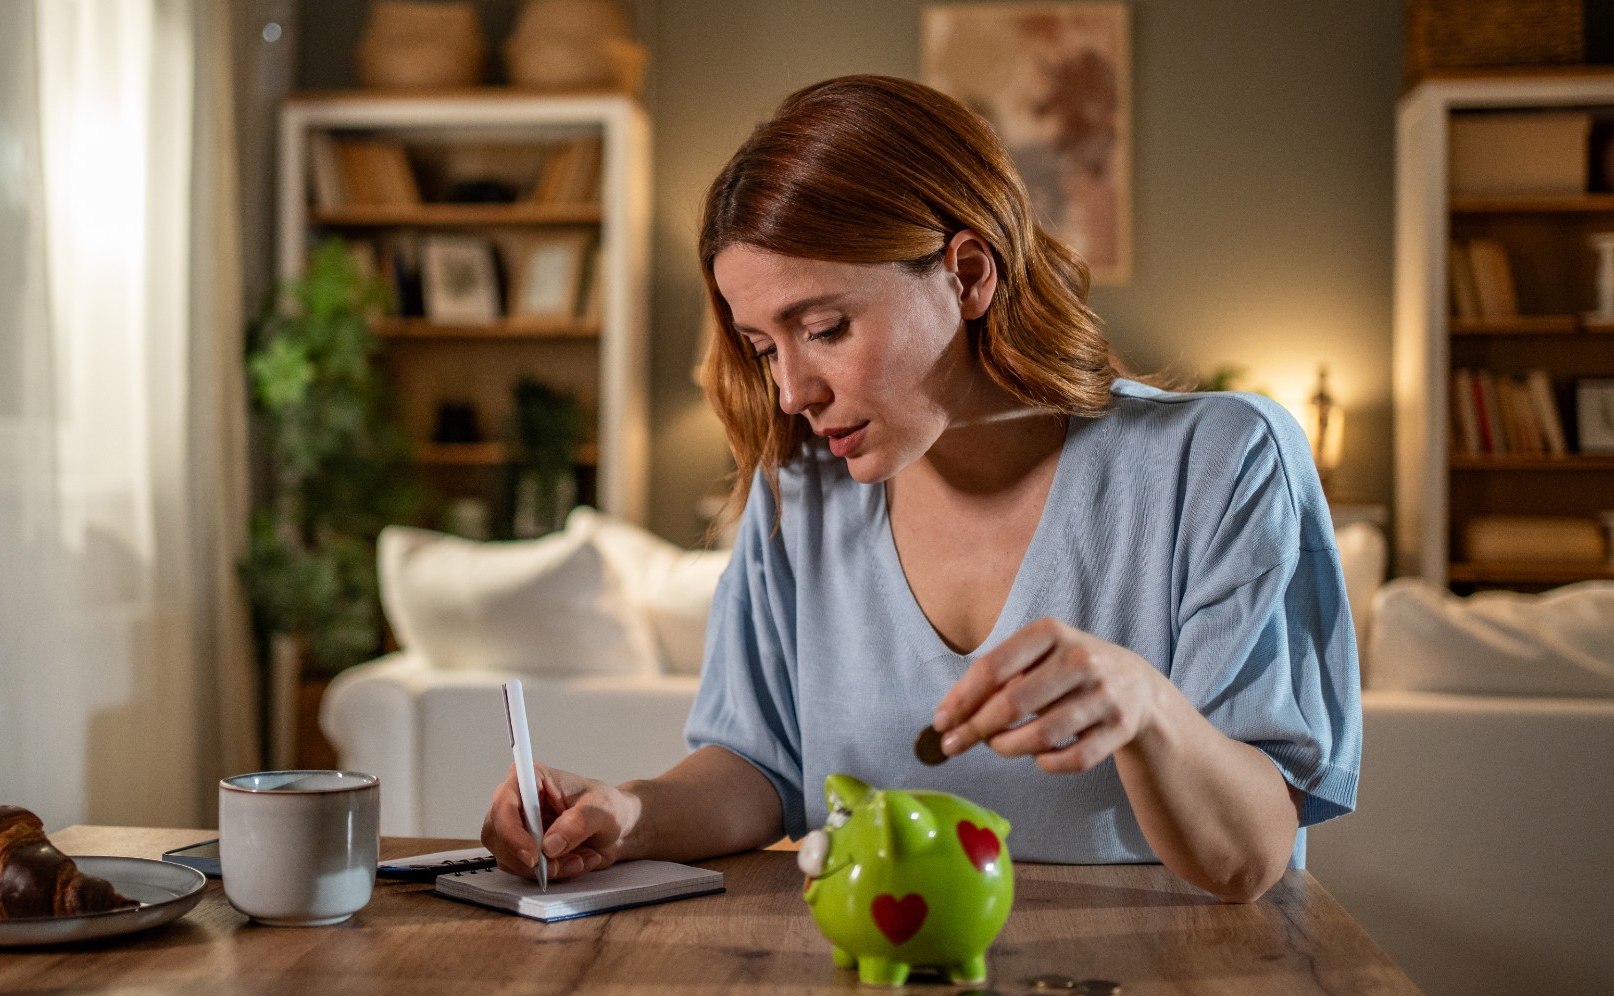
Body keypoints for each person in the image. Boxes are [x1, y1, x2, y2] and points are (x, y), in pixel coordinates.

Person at [480, 75, 1360, 903]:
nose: (792, 391)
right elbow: (760, 768)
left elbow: (1249, 857)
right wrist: (626, 815)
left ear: (969, 274)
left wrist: (1145, 706)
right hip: (874, 974)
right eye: (763, 347)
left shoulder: (1221, 462)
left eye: (824, 327)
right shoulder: (800, 494)